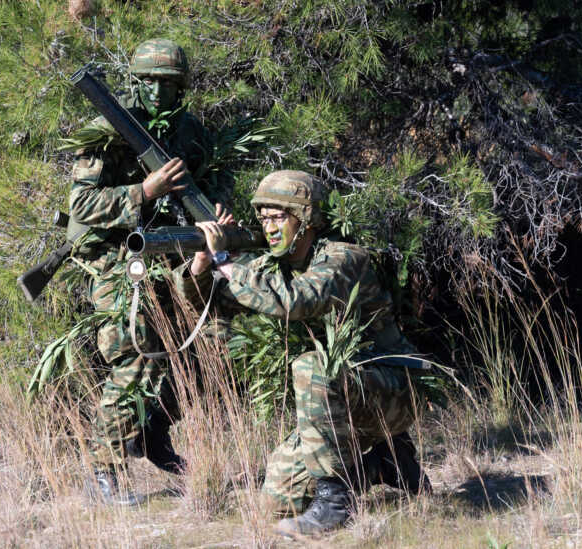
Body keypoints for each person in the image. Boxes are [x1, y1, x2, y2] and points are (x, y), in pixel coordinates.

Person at [173, 170, 431, 536]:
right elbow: (213, 305)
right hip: (337, 403)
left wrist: (228, 261)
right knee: (276, 502)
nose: (269, 227)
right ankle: (383, 464)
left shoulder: (344, 259)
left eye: (278, 217)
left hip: (394, 388)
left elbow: (296, 300)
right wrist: (202, 264)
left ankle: (335, 502)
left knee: (311, 367)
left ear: (306, 219)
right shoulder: (275, 265)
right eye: (263, 218)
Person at [66, 38, 233, 504]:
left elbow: (215, 183)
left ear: (182, 87)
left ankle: (155, 435)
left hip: (179, 258)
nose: (158, 91)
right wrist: (144, 189)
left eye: (168, 83)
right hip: (121, 263)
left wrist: (218, 208)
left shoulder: (193, 133)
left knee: (208, 350)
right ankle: (103, 473)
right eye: (149, 82)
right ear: (135, 83)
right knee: (134, 357)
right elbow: (81, 204)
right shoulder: (108, 131)